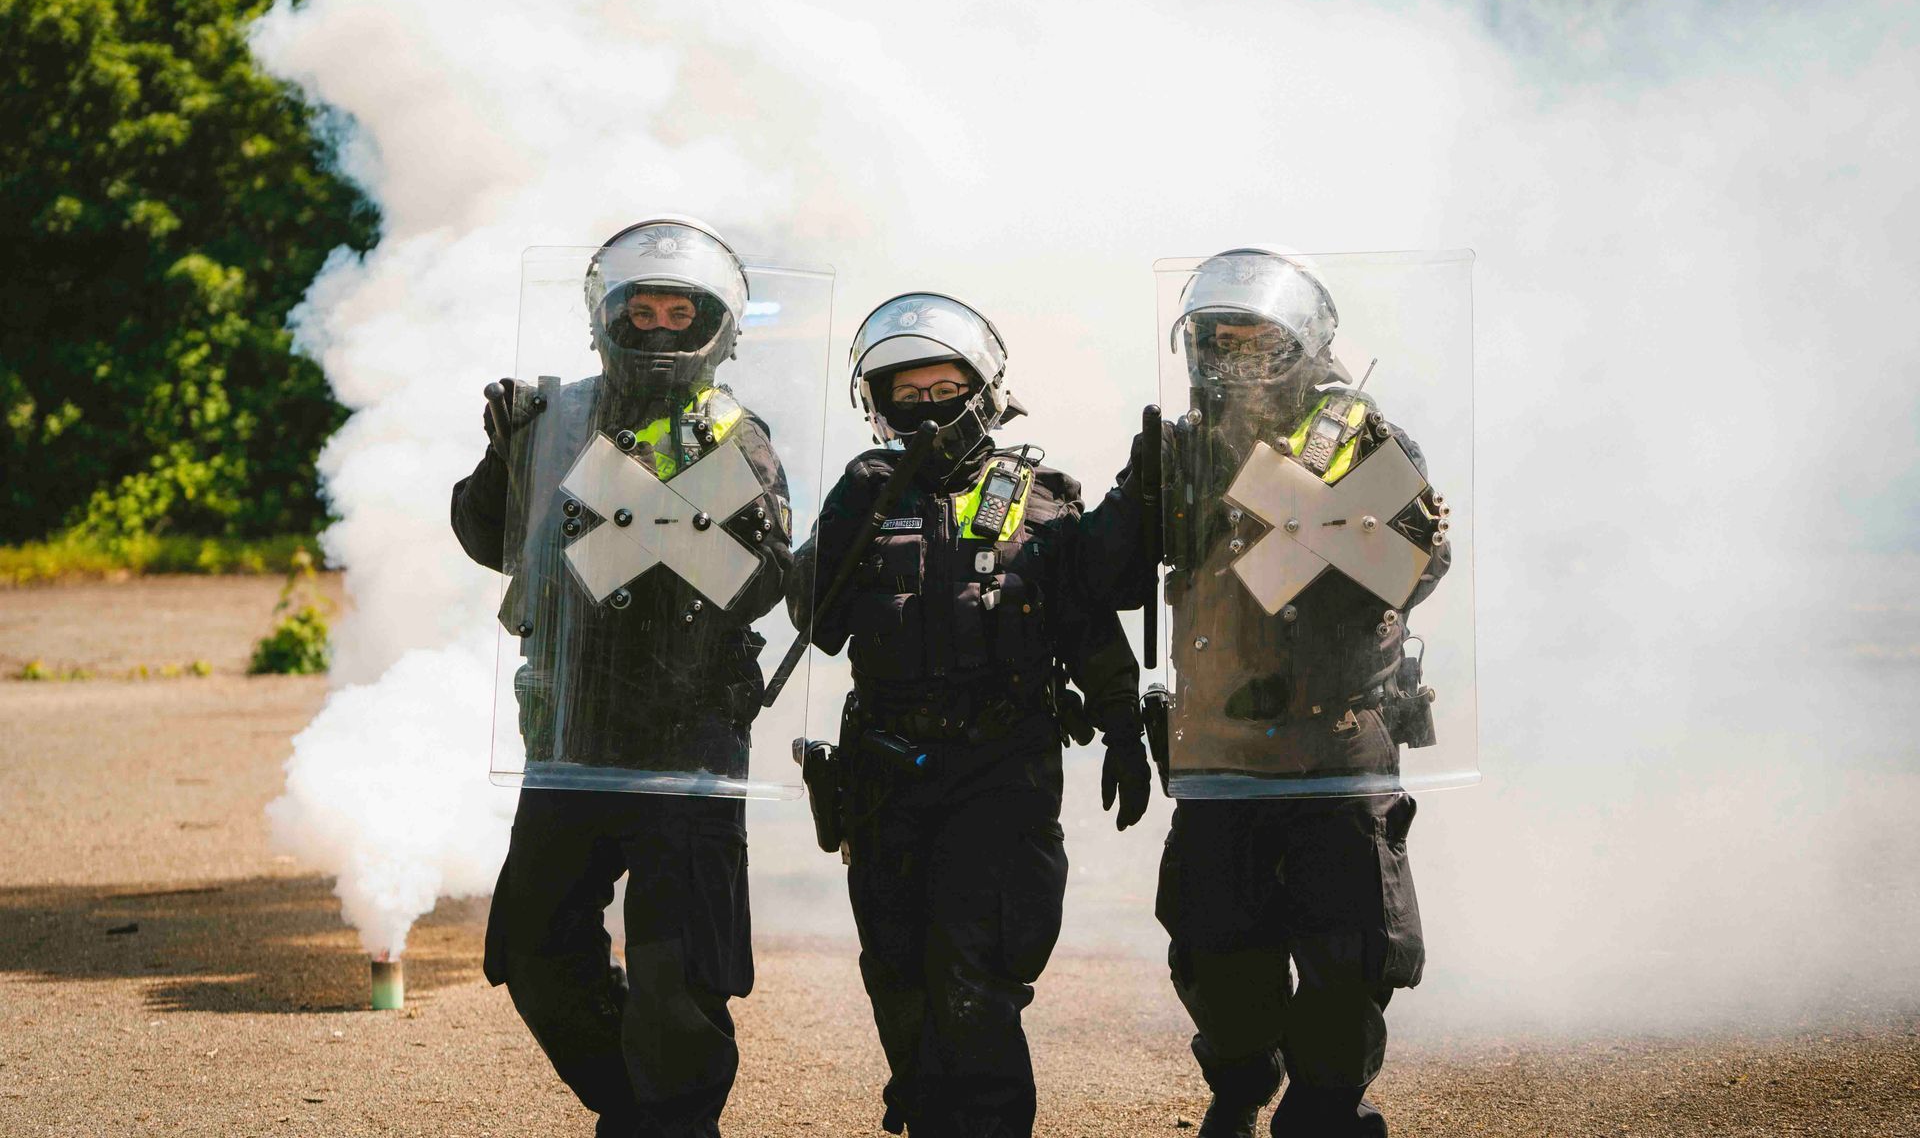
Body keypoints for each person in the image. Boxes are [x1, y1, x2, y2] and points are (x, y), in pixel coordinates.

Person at [1075, 247, 1451, 1138]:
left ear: (1304, 342)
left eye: (1257, 338)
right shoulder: (1180, 447)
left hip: (1339, 750)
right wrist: (1139, 490)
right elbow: (1103, 575)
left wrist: (1357, 528)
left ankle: (1325, 1109)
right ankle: (1240, 1083)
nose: (1236, 356)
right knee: (1217, 963)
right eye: (1219, 338)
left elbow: (1419, 572)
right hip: (1221, 754)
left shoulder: (1360, 435)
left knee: (1345, 962)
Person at [451, 217, 794, 1138]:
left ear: (715, 325)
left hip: (686, 738)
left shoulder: (732, 432)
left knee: (675, 974)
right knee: (532, 949)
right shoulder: (555, 415)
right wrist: (504, 451)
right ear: (605, 316)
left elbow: (752, 584)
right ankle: (638, 1110)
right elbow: (493, 545)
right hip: (571, 729)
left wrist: (626, 498)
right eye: (638, 310)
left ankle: (670, 1124)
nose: (656, 326)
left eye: (679, 310)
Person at [788, 292, 1152, 1138]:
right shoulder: (866, 495)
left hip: (1003, 771)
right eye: (905, 394)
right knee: (898, 973)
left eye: (942, 386)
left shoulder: (1042, 500)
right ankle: (923, 1101)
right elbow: (819, 623)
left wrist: (1126, 728)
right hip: (885, 771)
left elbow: (1089, 631)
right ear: (877, 403)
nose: (927, 407)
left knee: (976, 981)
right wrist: (848, 517)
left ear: (982, 386)